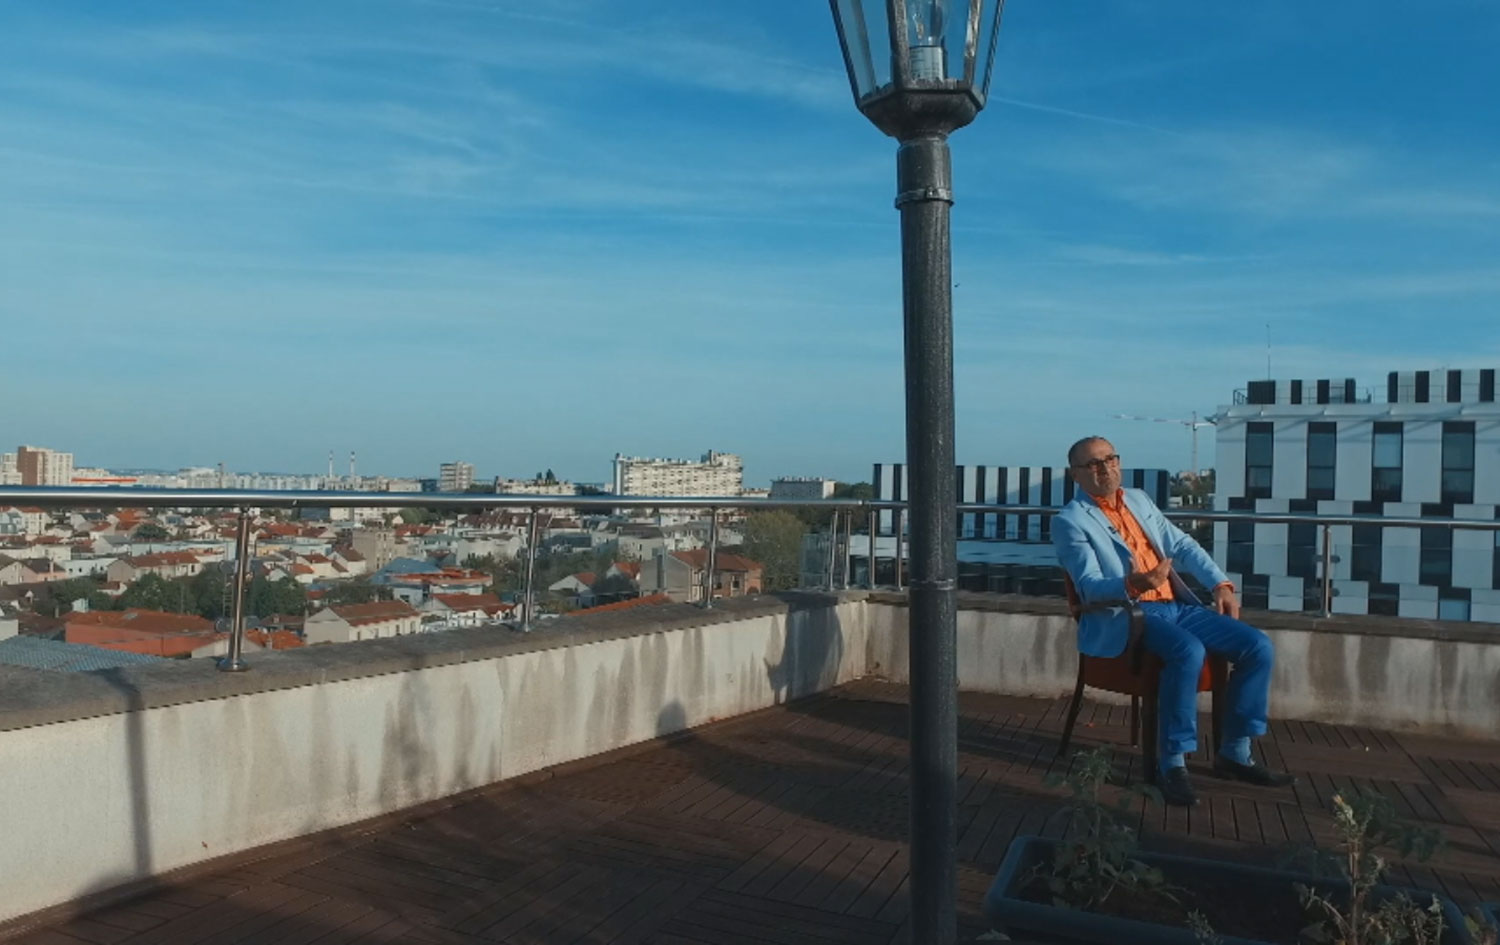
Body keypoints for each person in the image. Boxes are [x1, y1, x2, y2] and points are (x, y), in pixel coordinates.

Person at [1051, 435, 1295, 807]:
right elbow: (1089, 587)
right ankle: (1173, 764)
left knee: (1257, 646)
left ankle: (1235, 751)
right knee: (1187, 651)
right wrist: (1135, 583)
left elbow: (1182, 545)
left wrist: (1220, 584)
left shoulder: (1138, 500)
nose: (1105, 469)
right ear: (1076, 475)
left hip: (1175, 606)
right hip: (1127, 614)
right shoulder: (1070, 521)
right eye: (1093, 464)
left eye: (1111, 459)